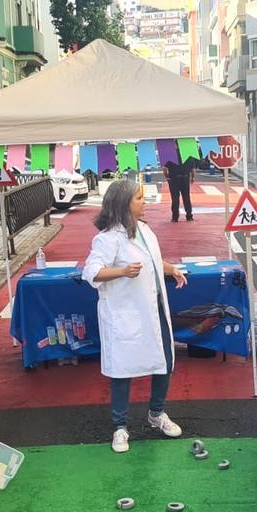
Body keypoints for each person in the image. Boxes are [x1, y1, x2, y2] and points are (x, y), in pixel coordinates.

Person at [82, 180, 188, 453]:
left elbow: (152, 260)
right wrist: (122, 272)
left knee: (164, 362)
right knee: (122, 370)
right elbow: (91, 271)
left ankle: (157, 413)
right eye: (138, 198)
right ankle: (120, 426)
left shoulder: (145, 230)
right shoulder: (107, 238)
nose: (144, 201)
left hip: (153, 309)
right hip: (126, 314)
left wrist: (171, 269)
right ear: (123, 203)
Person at [163, 157, 195, 222]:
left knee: (175, 198)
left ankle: (175, 217)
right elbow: (193, 169)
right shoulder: (188, 156)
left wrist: (166, 177)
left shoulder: (170, 156)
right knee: (186, 198)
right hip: (185, 178)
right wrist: (192, 177)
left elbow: (164, 168)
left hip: (174, 179)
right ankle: (189, 216)